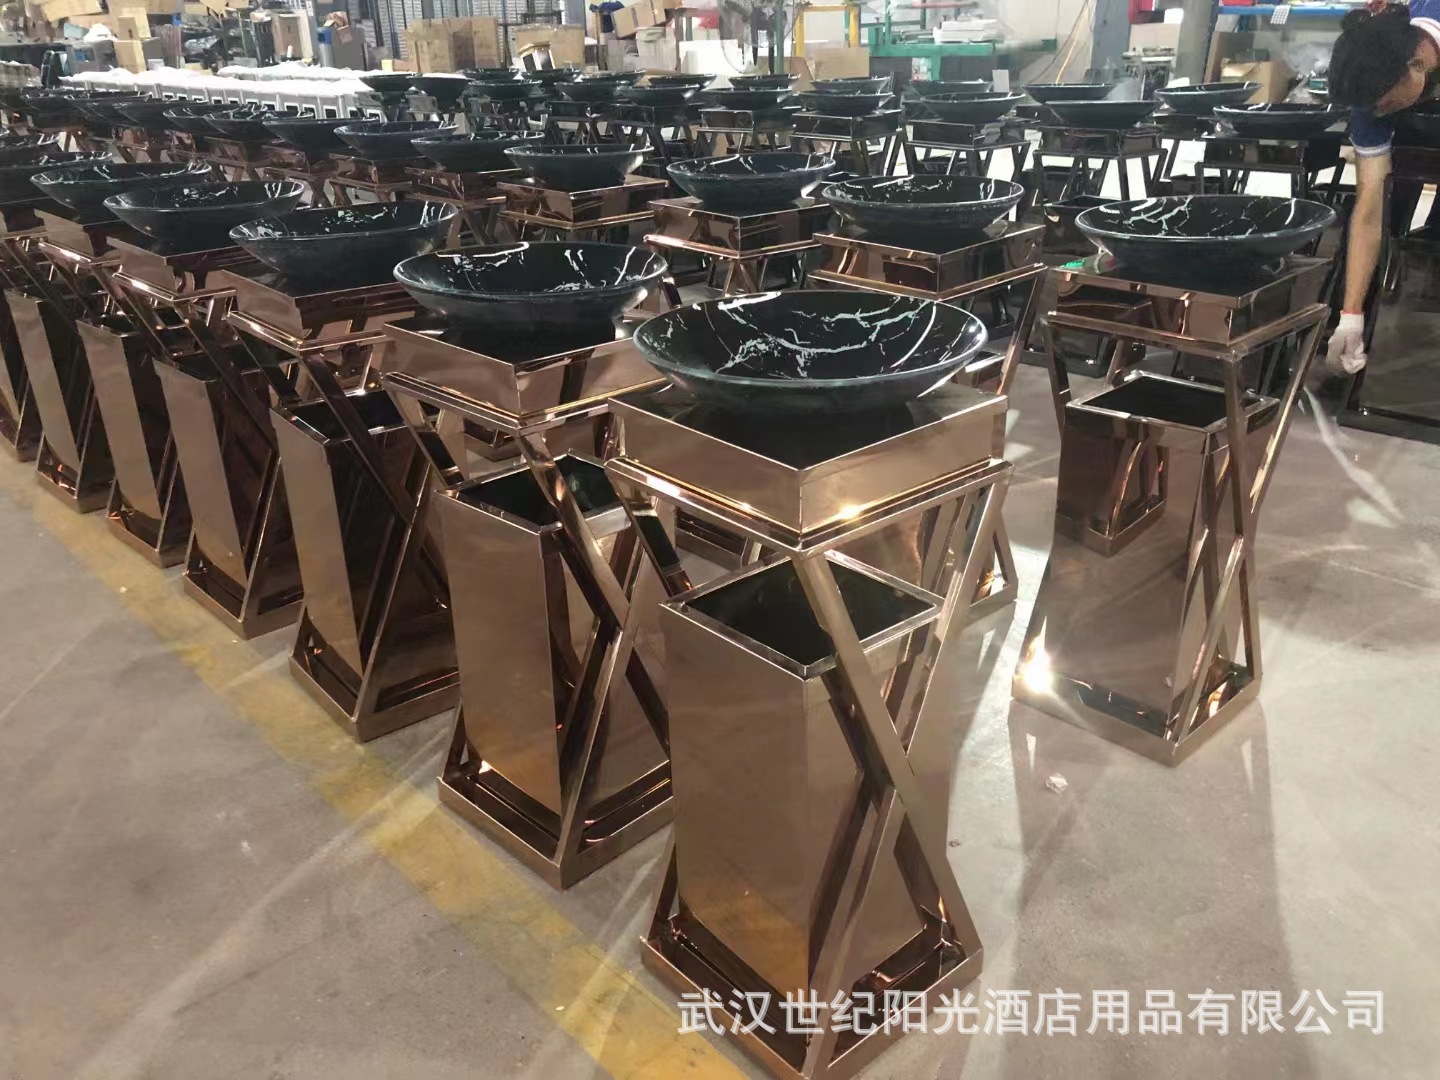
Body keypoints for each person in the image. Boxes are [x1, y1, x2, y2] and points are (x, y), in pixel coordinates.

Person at [1327, 0, 1440, 375]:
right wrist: (1350, 315)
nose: (1379, 111)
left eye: (1387, 103)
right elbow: (1371, 206)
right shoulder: (1375, 93)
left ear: (1417, 63)